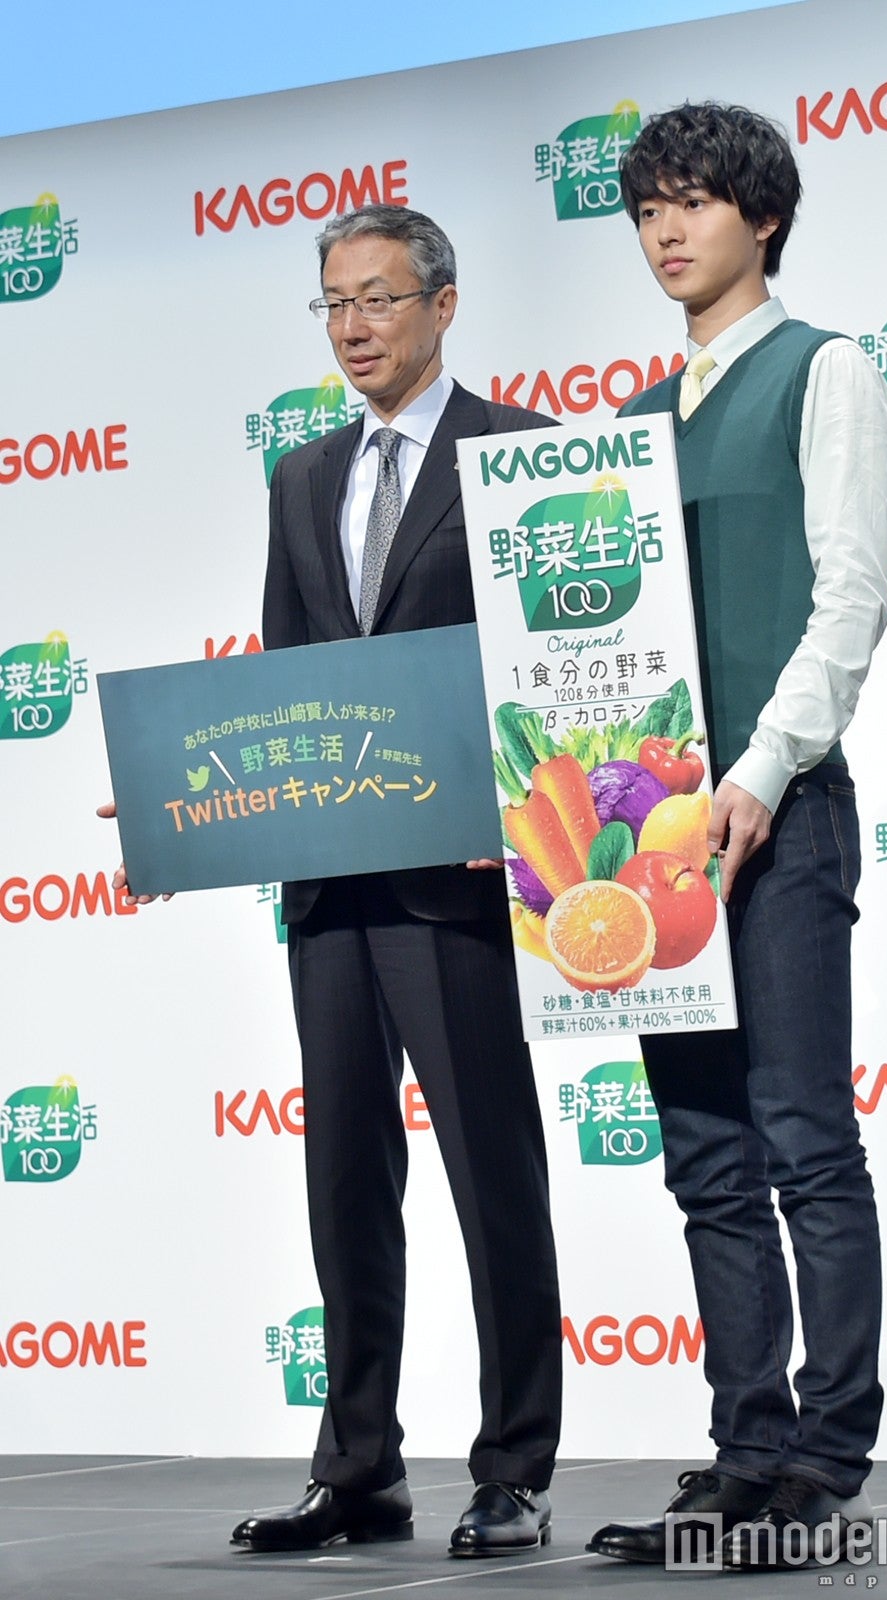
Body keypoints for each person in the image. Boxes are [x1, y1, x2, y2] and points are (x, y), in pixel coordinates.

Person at [103, 204, 561, 1557]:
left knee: (491, 1174)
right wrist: (195, 807)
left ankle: (514, 1466)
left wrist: (523, 813)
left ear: (442, 304)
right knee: (344, 1180)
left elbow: (558, 669)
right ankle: (359, 1467)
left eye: (377, 299)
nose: (354, 328)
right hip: (329, 889)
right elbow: (285, 685)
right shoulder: (301, 477)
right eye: (334, 305)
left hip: (456, 883)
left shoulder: (521, 456)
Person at [585, 103, 887, 1571]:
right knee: (705, 1156)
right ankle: (744, 1451)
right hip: (654, 839)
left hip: (781, 814)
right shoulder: (636, 418)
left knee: (803, 1142)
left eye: (695, 202)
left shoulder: (824, 370)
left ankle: (825, 1459)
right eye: (648, 207)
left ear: (761, 217)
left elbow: (851, 596)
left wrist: (763, 770)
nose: (666, 230)